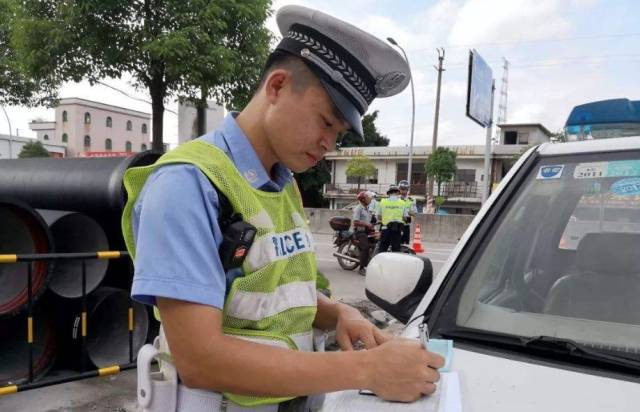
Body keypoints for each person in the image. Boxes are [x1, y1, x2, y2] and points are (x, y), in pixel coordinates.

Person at [121, 5, 443, 411]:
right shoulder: (187, 184)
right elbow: (200, 359)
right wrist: (367, 369)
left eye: (339, 134)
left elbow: (276, 296)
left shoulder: (281, 181)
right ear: (276, 87)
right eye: (326, 121)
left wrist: (338, 314)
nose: (329, 145)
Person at [376, 185, 408, 253]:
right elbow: (405, 218)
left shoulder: (383, 202)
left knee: (382, 249)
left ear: (389, 193)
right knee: (396, 250)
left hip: (385, 229)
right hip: (397, 230)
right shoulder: (402, 202)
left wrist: (385, 218)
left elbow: (378, 216)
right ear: (397, 193)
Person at [352, 191, 374, 275]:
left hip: (367, 231)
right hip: (359, 231)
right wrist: (367, 224)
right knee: (366, 247)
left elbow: (368, 221)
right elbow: (355, 222)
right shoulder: (358, 208)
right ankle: (361, 268)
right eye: (367, 198)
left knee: (376, 243)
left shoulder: (367, 208)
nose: (369, 199)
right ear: (363, 199)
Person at [398, 180, 417, 245]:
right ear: (399, 189)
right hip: (396, 224)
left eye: (405, 189)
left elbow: (414, 213)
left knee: (405, 245)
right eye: (402, 189)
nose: (403, 191)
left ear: (407, 189)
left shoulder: (411, 200)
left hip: (406, 225)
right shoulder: (395, 199)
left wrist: (407, 212)